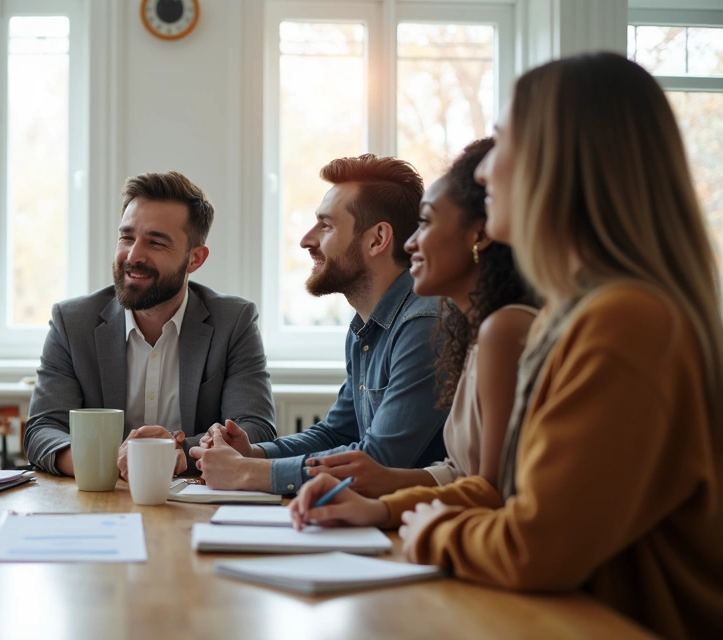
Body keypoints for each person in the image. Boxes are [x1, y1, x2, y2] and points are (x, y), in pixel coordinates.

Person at [292, 53, 723, 639]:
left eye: (503, 142)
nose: (486, 171)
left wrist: (428, 532)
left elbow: (536, 544)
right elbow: (506, 490)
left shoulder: (626, 323)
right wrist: (385, 510)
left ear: (563, 163)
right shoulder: (570, 321)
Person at [189, 155, 448, 495]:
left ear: (377, 239)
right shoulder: (364, 329)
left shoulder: (423, 325)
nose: (306, 240)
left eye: (326, 226)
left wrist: (247, 473)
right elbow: (336, 433)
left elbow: (381, 460)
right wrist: (254, 453)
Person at [296, 139, 538, 497]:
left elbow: (491, 492)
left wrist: (252, 472)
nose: (410, 244)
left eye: (425, 223)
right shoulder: (467, 331)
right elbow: (458, 474)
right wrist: (252, 457)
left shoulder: (468, 327)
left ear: (480, 235)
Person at [24, 171, 276, 478]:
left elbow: (255, 430)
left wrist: (171, 453)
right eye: (127, 237)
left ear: (195, 259)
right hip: (99, 498)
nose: (133, 256)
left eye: (155, 242)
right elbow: (43, 431)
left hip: (196, 506)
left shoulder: (233, 322)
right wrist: (111, 460)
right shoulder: (73, 322)